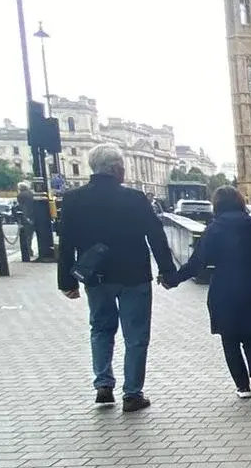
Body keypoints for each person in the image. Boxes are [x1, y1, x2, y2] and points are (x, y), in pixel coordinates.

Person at [57, 143, 179, 413]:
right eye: (122, 167)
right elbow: (156, 235)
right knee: (136, 336)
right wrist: (167, 271)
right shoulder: (135, 198)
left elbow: (65, 243)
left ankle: (103, 384)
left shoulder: (74, 199)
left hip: (96, 276)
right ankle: (132, 394)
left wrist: (67, 281)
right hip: (133, 275)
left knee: (101, 329)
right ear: (115, 169)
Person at [167, 185, 251, 399]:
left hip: (224, 287)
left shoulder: (214, 229)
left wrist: (173, 280)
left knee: (229, 339)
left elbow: (197, 262)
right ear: (239, 202)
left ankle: (243, 387)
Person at [14, 181, 37, 263]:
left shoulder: (20, 195)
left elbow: (22, 207)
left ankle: (27, 251)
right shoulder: (32, 194)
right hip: (34, 216)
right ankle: (30, 250)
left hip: (25, 216)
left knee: (26, 235)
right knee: (31, 235)